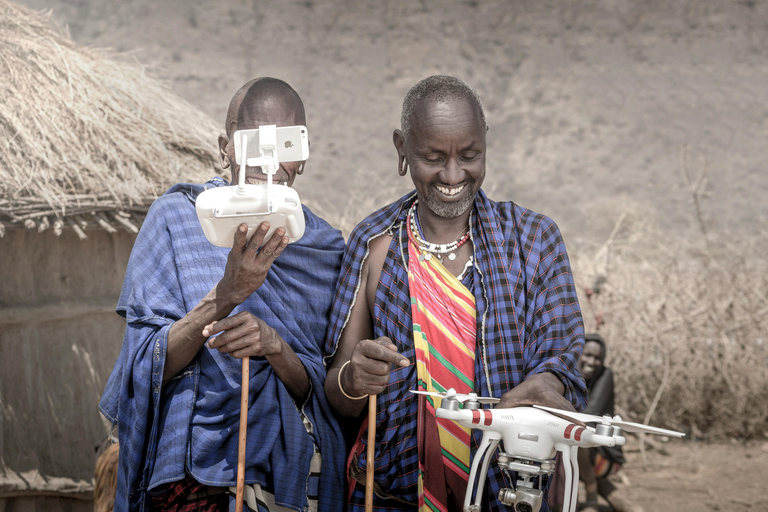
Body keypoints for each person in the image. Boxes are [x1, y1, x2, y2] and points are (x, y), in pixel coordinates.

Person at [323, 75, 587, 511]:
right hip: (394, 497)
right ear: (401, 149)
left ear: (486, 144)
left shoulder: (534, 240)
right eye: (432, 157)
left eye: (469, 155)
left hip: (509, 494)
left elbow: (563, 363)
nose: (452, 175)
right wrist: (355, 378)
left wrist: (543, 383)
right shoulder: (374, 244)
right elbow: (338, 390)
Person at [99, 77, 346, 512]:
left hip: (283, 479)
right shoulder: (177, 220)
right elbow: (143, 367)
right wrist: (225, 295)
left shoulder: (322, 248)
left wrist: (274, 346)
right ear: (226, 147)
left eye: (284, 144)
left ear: (302, 157)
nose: (266, 160)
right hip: (192, 479)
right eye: (251, 141)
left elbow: (323, 390)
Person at [574, 333, 638, 512]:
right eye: (587, 355)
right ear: (577, 353)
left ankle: (591, 497)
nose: (591, 362)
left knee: (577, 434)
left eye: (597, 358)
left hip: (605, 455)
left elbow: (590, 414)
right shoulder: (568, 374)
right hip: (584, 451)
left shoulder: (605, 375)